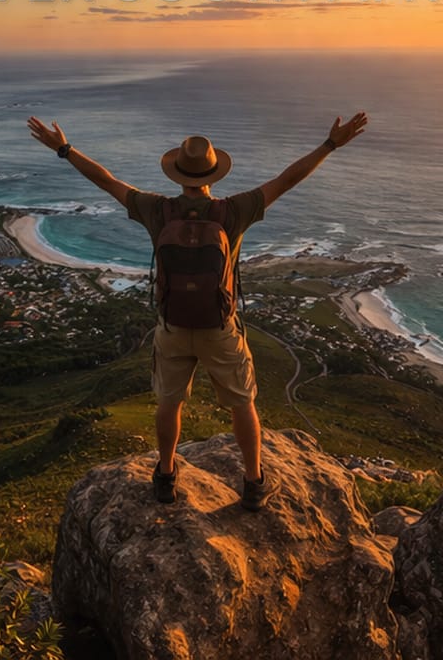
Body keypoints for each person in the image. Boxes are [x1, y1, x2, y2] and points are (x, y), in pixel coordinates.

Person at [26, 112, 368, 510]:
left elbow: (106, 181)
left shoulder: (157, 211)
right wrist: (329, 145)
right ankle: (255, 482)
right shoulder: (234, 211)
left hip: (172, 325)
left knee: (170, 403)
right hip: (219, 326)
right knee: (243, 403)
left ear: (176, 173)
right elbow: (287, 180)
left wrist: (64, 149)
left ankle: (167, 475)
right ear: (213, 175)